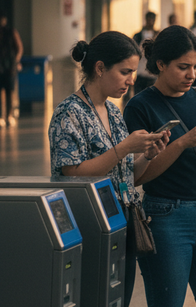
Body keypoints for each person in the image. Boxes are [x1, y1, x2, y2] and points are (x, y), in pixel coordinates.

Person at [49, 31, 168, 307]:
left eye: (134, 72)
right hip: (89, 223)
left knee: (118, 298)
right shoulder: (70, 113)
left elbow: (127, 176)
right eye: (125, 72)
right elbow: (73, 174)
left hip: (120, 222)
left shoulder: (113, 112)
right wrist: (125, 147)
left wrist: (147, 155)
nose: (131, 80)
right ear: (100, 68)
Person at [123, 26, 196, 307]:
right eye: (183, 67)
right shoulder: (140, 107)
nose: (192, 74)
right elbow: (139, 176)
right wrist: (181, 143)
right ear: (161, 64)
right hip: (166, 217)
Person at [0, 13, 23, 127]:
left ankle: (8, 115)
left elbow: (19, 48)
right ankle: (3, 116)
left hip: (9, 66)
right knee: (7, 92)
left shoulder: (11, 32)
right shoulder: (10, 32)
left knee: (9, 92)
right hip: (5, 66)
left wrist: (15, 61)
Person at [132, 11, 159, 96]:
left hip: (152, 74)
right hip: (140, 71)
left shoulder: (158, 35)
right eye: (149, 19)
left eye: (152, 20)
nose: (150, 22)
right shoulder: (138, 35)